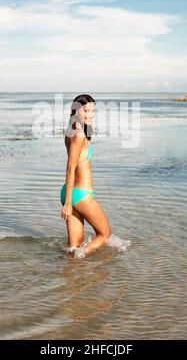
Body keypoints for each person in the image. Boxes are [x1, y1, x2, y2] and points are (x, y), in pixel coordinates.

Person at [60, 94, 112, 258]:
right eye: (86, 111)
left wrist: (68, 200)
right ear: (76, 111)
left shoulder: (72, 130)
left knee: (73, 246)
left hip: (71, 193)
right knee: (104, 235)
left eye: (92, 111)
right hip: (81, 197)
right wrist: (68, 204)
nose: (90, 114)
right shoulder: (79, 134)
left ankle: (71, 275)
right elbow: (70, 169)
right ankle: (80, 257)